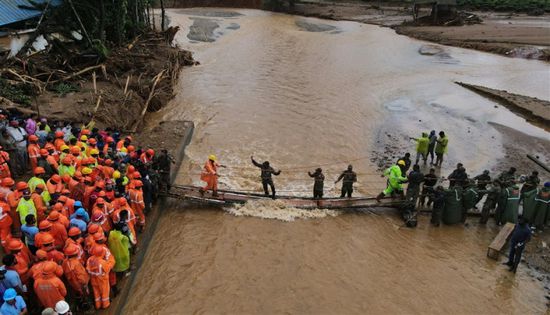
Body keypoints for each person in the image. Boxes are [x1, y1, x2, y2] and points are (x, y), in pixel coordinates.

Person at [87, 245, 113, 310]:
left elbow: (88, 269)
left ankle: (98, 305)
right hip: (102, 279)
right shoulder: (102, 262)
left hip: (93, 279)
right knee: (104, 292)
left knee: (96, 292)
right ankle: (105, 305)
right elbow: (107, 269)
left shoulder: (89, 260)